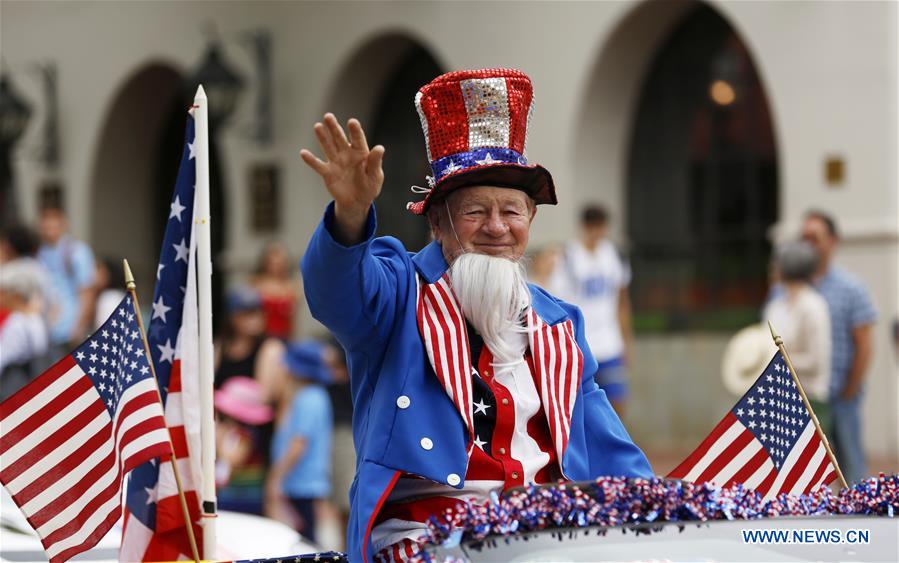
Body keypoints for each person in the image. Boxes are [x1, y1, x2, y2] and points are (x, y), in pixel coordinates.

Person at [299, 68, 652, 562]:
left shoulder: (559, 324)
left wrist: (672, 521)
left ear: (531, 220)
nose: (496, 227)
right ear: (438, 224)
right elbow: (334, 293)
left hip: (547, 542)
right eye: (475, 211)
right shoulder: (398, 293)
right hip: (425, 543)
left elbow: (610, 451)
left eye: (512, 211)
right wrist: (351, 214)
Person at [800, 210, 877, 484]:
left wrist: (850, 389)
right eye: (803, 237)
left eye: (814, 237)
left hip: (841, 397)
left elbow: (865, 344)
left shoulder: (852, 289)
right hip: (804, 399)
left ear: (832, 241)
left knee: (851, 474)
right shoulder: (790, 289)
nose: (807, 244)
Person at [548, 204, 634, 416]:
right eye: (592, 226)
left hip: (610, 343)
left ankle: (613, 438)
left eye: (600, 227)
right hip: (580, 344)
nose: (596, 232)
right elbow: (556, 301)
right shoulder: (567, 256)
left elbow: (622, 301)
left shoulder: (614, 255)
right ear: (584, 227)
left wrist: (626, 341)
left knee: (617, 402)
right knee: (580, 406)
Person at [267, 341, 334, 544]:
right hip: (305, 483)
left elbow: (298, 444)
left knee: (304, 542)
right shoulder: (316, 396)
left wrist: (276, 476)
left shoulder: (308, 399)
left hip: (302, 485)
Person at [762, 241, 832, 429]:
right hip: (778, 397)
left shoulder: (813, 306)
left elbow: (817, 362)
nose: (773, 267)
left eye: (778, 262)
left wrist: (777, 360)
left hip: (809, 399)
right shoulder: (776, 306)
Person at [36, 204, 96, 351]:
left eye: (53, 226)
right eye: (46, 227)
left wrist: (79, 327)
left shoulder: (76, 251)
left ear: (63, 225)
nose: (49, 231)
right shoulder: (38, 253)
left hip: (69, 331)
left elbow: (87, 291)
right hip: (45, 333)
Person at [214, 376, 275, 515]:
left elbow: (234, 459)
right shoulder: (234, 434)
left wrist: (220, 443)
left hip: (244, 497)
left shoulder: (245, 436)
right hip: (232, 494)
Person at [0, 261, 50, 400]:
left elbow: (3, 358)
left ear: (16, 295)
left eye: (3, 292)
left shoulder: (17, 322)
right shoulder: (36, 319)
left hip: (12, 389)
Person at [252, 241, 303, 340]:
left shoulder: (292, 286)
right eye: (271, 261)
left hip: (284, 337)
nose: (275, 264)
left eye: (279, 261)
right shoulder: (255, 284)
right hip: (261, 338)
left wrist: (294, 340)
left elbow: (293, 319)